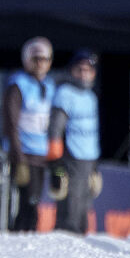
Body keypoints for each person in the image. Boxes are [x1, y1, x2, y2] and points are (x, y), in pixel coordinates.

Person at [2, 36, 55, 231]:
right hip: (23, 153)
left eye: (44, 59)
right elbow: (11, 123)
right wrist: (18, 156)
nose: (40, 64)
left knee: (34, 201)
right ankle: (19, 238)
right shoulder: (18, 85)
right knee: (26, 202)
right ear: (27, 60)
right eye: (35, 59)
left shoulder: (49, 86)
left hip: (41, 153)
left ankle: (27, 237)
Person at [47, 49, 102, 234]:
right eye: (80, 69)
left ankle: (79, 239)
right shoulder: (65, 93)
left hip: (88, 157)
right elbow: (55, 126)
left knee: (84, 205)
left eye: (88, 70)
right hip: (71, 155)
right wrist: (56, 161)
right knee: (70, 203)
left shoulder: (91, 97)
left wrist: (95, 166)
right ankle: (66, 239)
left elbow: (92, 133)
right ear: (72, 71)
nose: (84, 74)